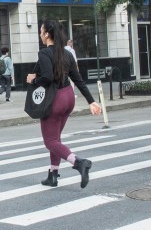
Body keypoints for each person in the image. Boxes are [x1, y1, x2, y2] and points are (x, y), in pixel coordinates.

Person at [27, 19, 102, 188]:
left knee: (50, 142)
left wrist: (33, 80)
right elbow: (78, 79)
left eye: (41, 31)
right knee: (56, 139)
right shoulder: (66, 53)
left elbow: (47, 78)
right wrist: (91, 101)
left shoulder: (44, 53)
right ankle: (53, 175)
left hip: (55, 99)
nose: (40, 34)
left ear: (47, 34)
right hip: (69, 97)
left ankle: (79, 162)